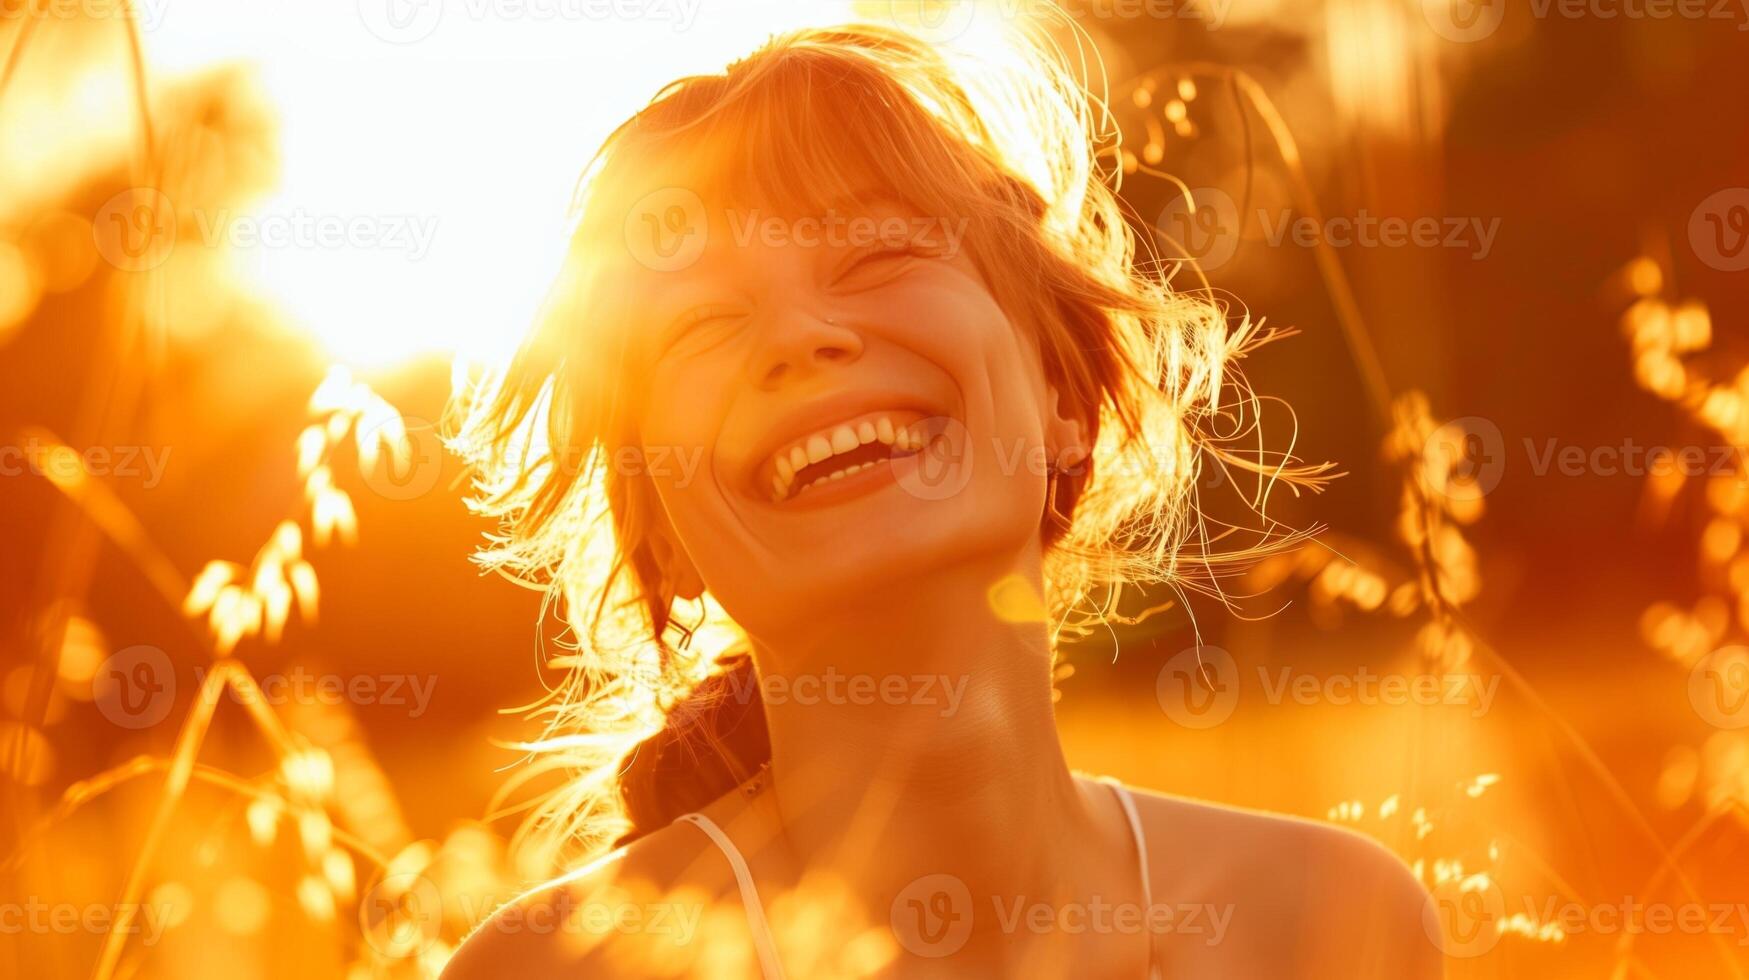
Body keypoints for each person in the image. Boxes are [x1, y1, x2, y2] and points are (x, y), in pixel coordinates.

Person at [441, 16, 1439, 979]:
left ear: (1062, 396)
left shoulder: (1333, 920)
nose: (799, 335)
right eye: (702, 321)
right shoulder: (547, 969)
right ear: (662, 539)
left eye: (877, 253)